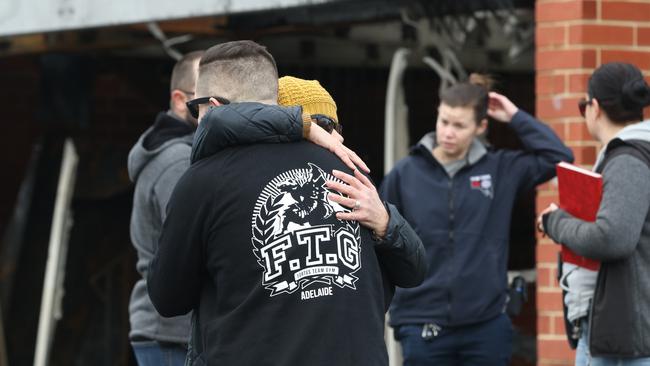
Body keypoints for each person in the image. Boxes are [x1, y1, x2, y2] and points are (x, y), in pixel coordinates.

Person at [147, 40, 426, 366]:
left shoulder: (202, 180)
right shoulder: (348, 170)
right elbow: (403, 277)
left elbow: (167, 299)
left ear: (212, 105)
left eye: (196, 111)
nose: (196, 122)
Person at [379, 74, 574, 365]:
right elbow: (379, 241)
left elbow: (558, 157)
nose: (448, 132)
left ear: (481, 127)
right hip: (421, 323)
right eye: (444, 121)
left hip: (487, 325)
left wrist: (514, 115)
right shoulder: (406, 173)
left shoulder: (500, 168)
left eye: (459, 125)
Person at [190, 74, 427, 288]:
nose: (337, 137)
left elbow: (415, 272)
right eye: (324, 125)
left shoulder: (353, 180)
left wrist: (386, 222)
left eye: (337, 126)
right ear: (291, 125)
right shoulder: (244, 180)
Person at [538, 62, 650, 366]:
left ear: (595, 107)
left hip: (628, 338)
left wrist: (555, 221)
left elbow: (612, 238)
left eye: (582, 105)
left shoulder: (628, 160)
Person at [127, 50, 203, 366]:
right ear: (178, 100)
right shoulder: (177, 161)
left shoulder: (176, 154)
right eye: (208, 97)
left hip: (167, 329)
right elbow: (191, 246)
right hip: (170, 333)